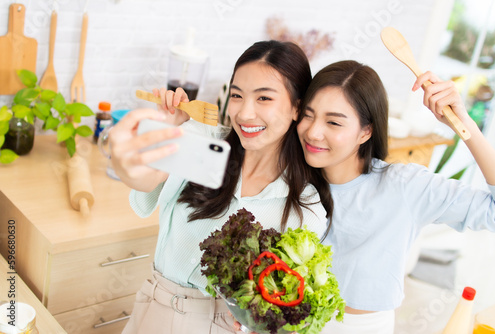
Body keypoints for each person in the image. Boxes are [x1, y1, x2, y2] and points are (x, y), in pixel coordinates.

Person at [109, 40, 333, 334]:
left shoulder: (305, 209)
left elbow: (285, 304)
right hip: (153, 308)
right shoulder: (201, 141)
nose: (244, 113)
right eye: (237, 95)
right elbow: (143, 179)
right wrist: (156, 136)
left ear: (296, 108)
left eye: (264, 99)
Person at [295, 60, 495, 333]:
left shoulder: (404, 186)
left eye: (333, 122)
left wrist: (465, 124)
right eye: (308, 115)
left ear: (366, 131)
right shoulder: (290, 179)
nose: (313, 131)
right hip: (290, 321)